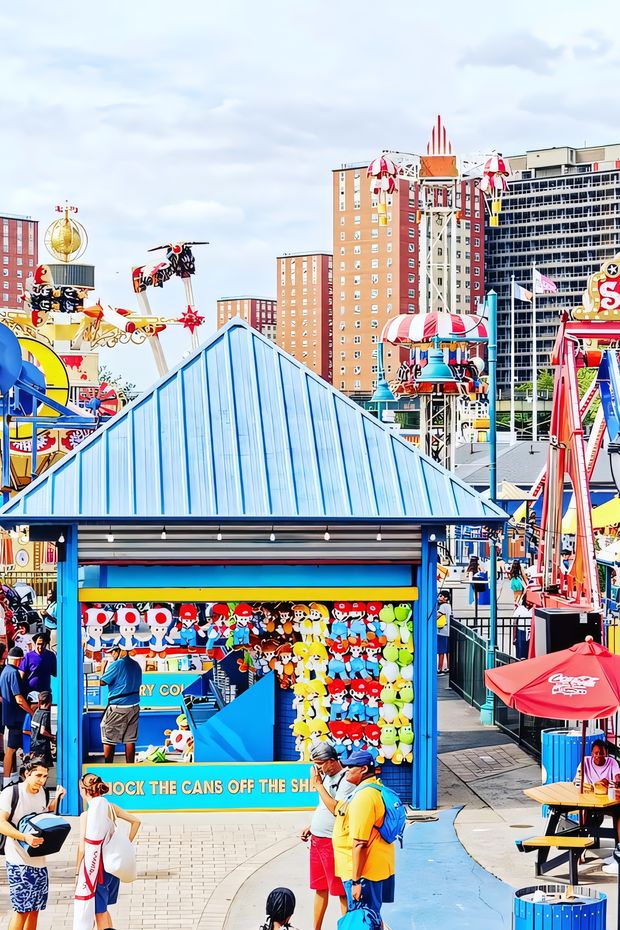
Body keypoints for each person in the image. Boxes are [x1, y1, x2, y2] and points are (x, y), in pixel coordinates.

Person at [0, 755, 65, 930]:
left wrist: (57, 799)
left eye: (45, 776)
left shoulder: (43, 793)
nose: (42, 780)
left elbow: (42, 815)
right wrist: (24, 837)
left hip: (39, 860)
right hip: (18, 860)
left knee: (35, 909)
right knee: (21, 910)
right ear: (27, 773)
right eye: (38, 775)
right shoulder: (11, 793)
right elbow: (1, 823)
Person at [333, 750, 395, 924]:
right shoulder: (374, 788)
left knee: (362, 920)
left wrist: (356, 881)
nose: (347, 770)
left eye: (351, 767)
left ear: (364, 769)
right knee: (372, 917)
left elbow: (360, 843)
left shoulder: (364, 797)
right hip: (373, 869)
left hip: (364, 873)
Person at [76, 772, 141, 930]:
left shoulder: (87, 815)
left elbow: (82, 849)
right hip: (113, 866)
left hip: (97, 869)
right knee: (103, 908)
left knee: (99, 912)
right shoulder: (110, 807)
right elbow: (136, 821)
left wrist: (77, 873)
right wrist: (125, 843)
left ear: (84, 790)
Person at [300, 742, 354, 929]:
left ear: (331, 761)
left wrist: (318, 785)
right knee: (319, 888)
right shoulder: (326, 778)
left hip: (332, 843)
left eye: (319, 764)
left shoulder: (346, 780)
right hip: (317, 840)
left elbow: (335, 809)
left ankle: (346, 927)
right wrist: (312, 826)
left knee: (341, 892)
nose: (317, 769)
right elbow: (323, 805)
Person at [573, 739, 620, 871]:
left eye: (602, 753)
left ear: (606, 753)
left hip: (608, 801)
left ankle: (618, 849)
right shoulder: (585, 762)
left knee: (618, 813)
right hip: (590, 801)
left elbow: (617, 777)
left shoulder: (612, 762)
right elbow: (577, 781)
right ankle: (581, 848)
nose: (599, 756)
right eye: (596, 753)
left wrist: (616, 781)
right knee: (587, 816)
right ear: (592, 753)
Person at [100, 645, 142, 763]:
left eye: (112, 652)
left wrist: (103, 668)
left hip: (118, 707)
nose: (111, 655)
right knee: (130, 739)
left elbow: (102, 682)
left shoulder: (117, 664)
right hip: (134, 706)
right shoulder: (136, 664)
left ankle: (108, 766)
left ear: (119, 651)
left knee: (108, 735)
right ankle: (130, 767)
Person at [0, 646, 36, 782]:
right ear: (20, 660)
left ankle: (12, 778)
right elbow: (19, 699)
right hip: (17, 718)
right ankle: (7, 780)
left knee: (13, 749)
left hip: (9, 716)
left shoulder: (4, 671)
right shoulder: (14, 673)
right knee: (13, 749)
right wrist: (31, 712)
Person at [30, 691, 55, 768]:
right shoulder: (45, 713)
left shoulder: (37, 711)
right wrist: (52, 737)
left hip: (33, 744)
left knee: (36, 768)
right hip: (42, 746)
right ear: (50, 701)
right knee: (43, 769)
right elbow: (42, 731)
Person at [512, 594, 531, 660]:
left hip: (531, 631)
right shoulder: (520, 608)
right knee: (521, 651)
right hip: (521, 631)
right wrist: (514, 637)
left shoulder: (534, 608)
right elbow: (515, 622)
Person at [437, 592, 451, 674]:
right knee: (447, 651)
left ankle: (440, 668)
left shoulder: (442, 606)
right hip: (447, 631)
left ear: (446, 598)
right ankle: (449, 667)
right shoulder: (448, 606)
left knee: (441, 651)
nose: (439, 597)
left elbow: (437, 616)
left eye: (441, 596)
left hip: (441, 631)